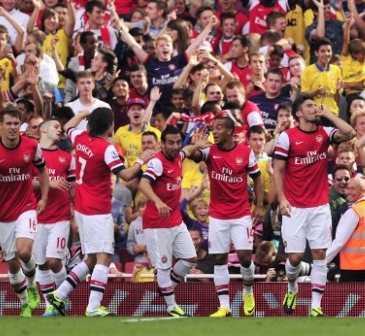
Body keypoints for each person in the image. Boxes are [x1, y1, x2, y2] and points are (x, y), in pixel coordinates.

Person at [47, 107, 154, 317]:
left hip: (82, 208)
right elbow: (126, 174)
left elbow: (68, 126)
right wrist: (142, 159)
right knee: (105, 256)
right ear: (109, 126)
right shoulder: (106, 149)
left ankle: (59, 294)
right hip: (97, 210)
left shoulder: (80, 137)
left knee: (91, 259)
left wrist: (83, 113)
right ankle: (93, 307)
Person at [273, 95, 356, 317]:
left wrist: (327, 114)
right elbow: (278, 170)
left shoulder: (324, 133)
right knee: (294, 258)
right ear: (298, 113)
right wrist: (281, 199)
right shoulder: (287, 138)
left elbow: (350, 133)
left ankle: (315, 306)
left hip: (319, 205)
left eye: (314, 105)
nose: (313, 108)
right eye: (309, 106)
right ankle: (292, 287)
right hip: (294, 206)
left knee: (320, 254)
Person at [183, 117, 264, 317]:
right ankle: (224, 306)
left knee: (245, 257)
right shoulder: (210, 151)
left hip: (241, 214)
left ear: (230, 131)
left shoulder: (245, 152)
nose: (215, 131)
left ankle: (247, 290)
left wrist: (260, 205)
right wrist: (195, 145)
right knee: (219, 259)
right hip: (218, 215)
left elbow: (258, 178)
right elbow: (192, 157)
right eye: (213, 128)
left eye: (219, 128)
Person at [0, 106, 50, 317]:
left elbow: (42, 171)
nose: (11, 128)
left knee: (24, 251)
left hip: (26, 206)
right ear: (1, 125)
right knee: (12, 263)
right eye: (7, 123)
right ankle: (26, 302)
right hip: (3, 212)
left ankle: (32, 285)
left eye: (15, 124)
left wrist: (43, 197)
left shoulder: (32, 146)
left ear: (20, 125)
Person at [138, 125, 198, 317]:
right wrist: (157, 201)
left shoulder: (178, 156)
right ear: (161, 144)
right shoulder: (157, 163)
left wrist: (197, 145)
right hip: (157, 224)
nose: (175, 146)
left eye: (178, 142)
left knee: (190, 258)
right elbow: (143, 183)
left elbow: (186, 151)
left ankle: (167, 287)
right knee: (163, 267)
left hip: (175, 221)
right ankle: (172, 307)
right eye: (170, 143)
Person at [34, 119, 75, 317]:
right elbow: (25, 182)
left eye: (61, 127)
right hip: (37, 216)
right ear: (43, 129)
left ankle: (61, 297)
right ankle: (52, 305)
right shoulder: (31, 154)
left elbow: (74, 188)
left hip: (60, 216)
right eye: (56, 126)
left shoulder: (66, 158)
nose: (60, 130)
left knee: (53, 260)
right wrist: (48, 183)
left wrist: (76, 214)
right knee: (41, 263)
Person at [326, 177, 365, 282]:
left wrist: (323, 261)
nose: (348, 192)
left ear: (363, 191)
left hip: (352, 268)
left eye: (353, 189)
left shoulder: (354, 212)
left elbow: (339, 242)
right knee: (362, 297)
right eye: (348, 188)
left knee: (347, 298)